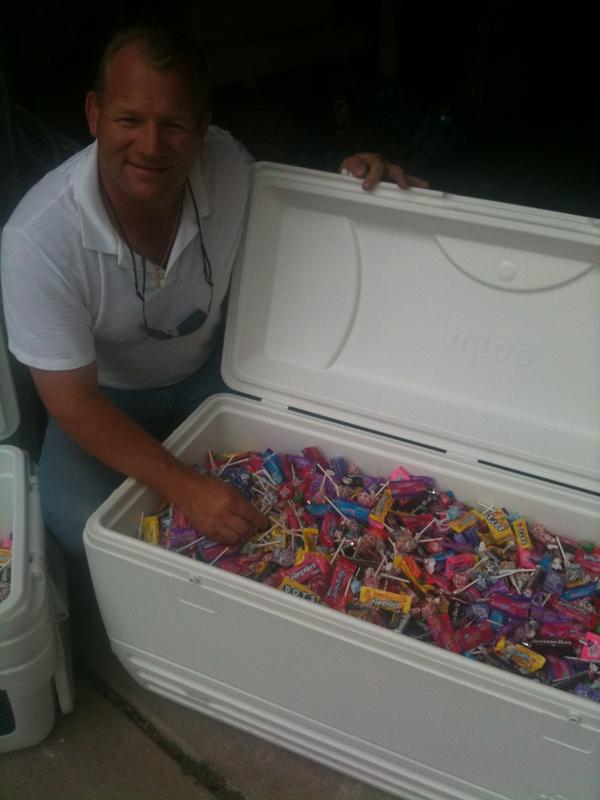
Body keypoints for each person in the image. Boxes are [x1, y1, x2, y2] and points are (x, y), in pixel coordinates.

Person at [0, 26, 428, 594]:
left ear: (203, 128)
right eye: (130, 119)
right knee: (79, 521)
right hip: (106, 399)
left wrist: (359, 186)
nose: (151, 145)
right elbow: (72, 404)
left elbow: (305, 227)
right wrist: (185, 486)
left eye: (174, 124)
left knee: (322, 481)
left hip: (215, 374)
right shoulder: (37, 239)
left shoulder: (229, 165)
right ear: (94, 113)